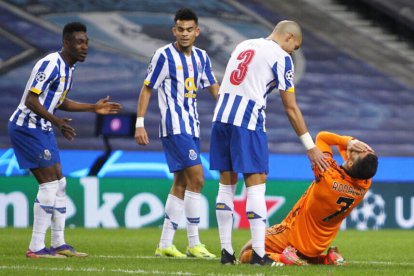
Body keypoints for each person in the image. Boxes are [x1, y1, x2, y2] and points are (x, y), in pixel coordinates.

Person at [210, 20, 330, 265]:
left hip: (221, 117)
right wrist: (310, 146)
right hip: (247, 120)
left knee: (226, 183)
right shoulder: (280, 57)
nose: (291, 53)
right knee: (256, 183)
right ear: (287, 37)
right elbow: (291, 107)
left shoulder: (244, 44)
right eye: (293, 48)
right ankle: (258, 254)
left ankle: (226, 253)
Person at [8, 22, 122, 259]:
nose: (85, 47)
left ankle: (58, 243)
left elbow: (59, 102)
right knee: (49, 186)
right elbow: (31, 100)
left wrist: (93, 107)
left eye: (87, 42)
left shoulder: (69, 70)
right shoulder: (50, 64)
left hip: (43, 127)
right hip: (27, 127)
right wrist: (57, 122)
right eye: (80, 42)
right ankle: (36, 247)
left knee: (60, 184)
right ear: (66, 43)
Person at [134, 8, 219, 258]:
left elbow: (214, 87)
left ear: (197, 31)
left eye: (189, 29)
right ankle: (194, 243)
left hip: (192, 126)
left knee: (181, 183)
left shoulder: (202, 57)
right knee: (198, 179)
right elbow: (147, 88)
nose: (184, 34)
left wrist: (228, 112)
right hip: (174, 126)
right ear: (174, 31)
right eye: (180, 29)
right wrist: (139, 123)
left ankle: (165, 244)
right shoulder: (163, 56)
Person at [239, 131, 378, 266]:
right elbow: (347, 152)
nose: (357, 149)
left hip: (292, 235)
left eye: (358, 151)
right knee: (305, 256)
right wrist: (351, 144)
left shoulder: (326, 172)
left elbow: (322, 137)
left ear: (350, 163)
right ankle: (326, 259)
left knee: (247, 252)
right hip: (317, 245)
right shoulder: (364, 183)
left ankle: (282, 258)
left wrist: (349, 141)